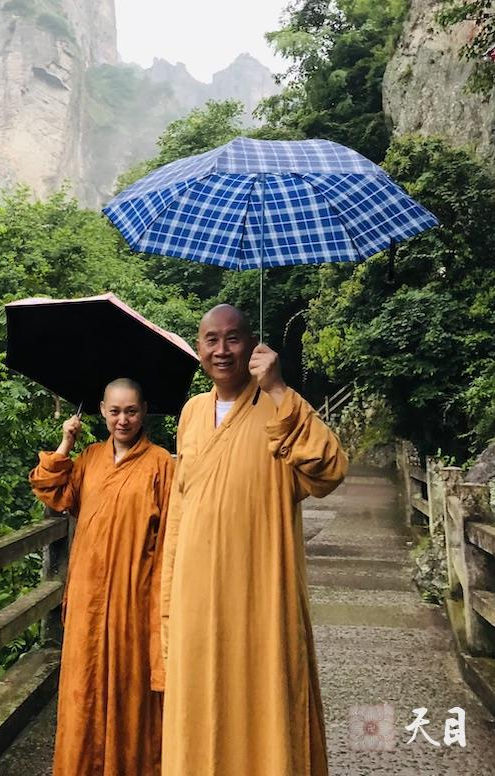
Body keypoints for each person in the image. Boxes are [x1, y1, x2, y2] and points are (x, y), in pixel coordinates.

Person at [160, 304, 348, 776]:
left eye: (234, 338)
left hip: (262, 592)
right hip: (197, 597)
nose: (222, 350)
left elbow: (329, 471)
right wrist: (168, 600)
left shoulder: (280, 404)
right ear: (199, 348)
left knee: (266, 699)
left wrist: (280, 390)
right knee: (199, 706)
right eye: (211, 340)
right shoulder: (191, 412)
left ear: (253, 344)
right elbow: (180, 510)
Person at [29, 378, 173, 776]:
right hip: (88, 603)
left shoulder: (161, 463)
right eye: (114, 411)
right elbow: (52, 493)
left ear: (144, 411)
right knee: (83, 691)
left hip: (134, 600)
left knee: (131, 694)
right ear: (101, 410)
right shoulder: (89, 458)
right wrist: (65, 444)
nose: (122, 419)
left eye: (130, 411)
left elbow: (171, 542)